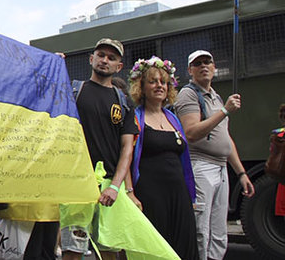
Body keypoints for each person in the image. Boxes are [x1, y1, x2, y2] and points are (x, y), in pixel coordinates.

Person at [61, 38, 139, 260]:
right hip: (76, 185)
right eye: (101, 55)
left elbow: (127, 149)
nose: (105, 60)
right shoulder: (74, 91)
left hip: (109, 188)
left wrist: (116, 187)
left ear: (119, 67)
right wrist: (55, 65)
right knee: (72, 251)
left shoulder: (123, 101)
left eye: (111, 57)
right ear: (91, 59)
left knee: (109, 252)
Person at [174, 50, 255, 260]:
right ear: (190, 70)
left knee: (219, 230)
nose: (203, 66)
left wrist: (242, 173)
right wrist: (225, 111)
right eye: (198, 63)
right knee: (201, 228)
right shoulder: (188, 94)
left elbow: (225, 139)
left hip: (221, 169)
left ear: (214, 67)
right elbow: (190, 133)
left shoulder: (216, 96)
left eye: (207, 62)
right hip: (200, 166)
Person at [128, 56, 199, 259]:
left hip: (179, 195)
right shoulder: (134, 118)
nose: (159, 86)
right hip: (150, 196)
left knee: (184, 247)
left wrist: (190, 194)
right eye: (153, 81)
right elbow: (125, 158)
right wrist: (130, 192)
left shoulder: (173, 118)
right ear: (141, 86)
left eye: (164, 82)